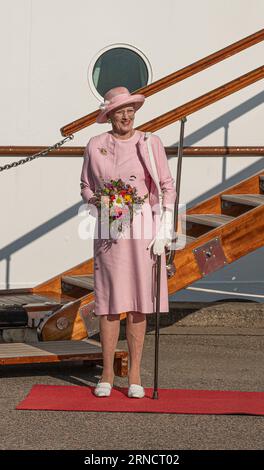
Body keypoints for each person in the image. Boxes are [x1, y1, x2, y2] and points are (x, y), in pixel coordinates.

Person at [80, 86, 176, 398]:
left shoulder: (151, 143)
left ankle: (134, 374)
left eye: (130, 109)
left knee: (138, 302)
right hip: (110, 231)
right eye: (120, 111)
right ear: (109, 115)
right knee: (108, 302)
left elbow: (166, 187)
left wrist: (165, 229)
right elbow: (85, 186)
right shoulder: (95, 145)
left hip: (144, 231)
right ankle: (106, 373)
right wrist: (100, 202)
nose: (126, 115)